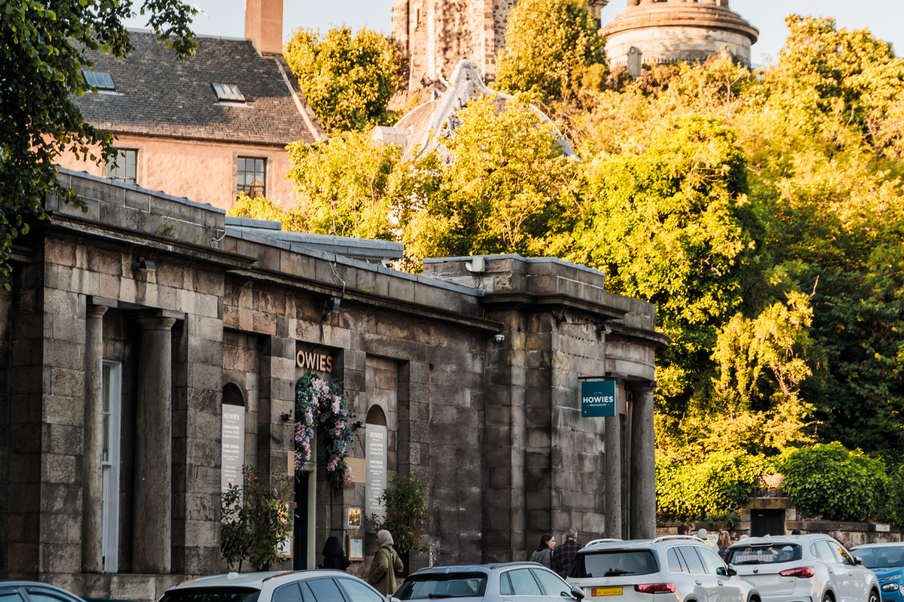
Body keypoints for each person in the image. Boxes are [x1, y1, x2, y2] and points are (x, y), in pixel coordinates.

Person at [368, 529, 404, 596]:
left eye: (378, 538)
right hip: (392, 590)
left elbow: (384, 566)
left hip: (381, 590)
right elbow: (400, 567)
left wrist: (373, 578)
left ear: (383, 538)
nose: (376, 540)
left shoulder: (382, 552)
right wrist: (391, 575)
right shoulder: (393, 551)